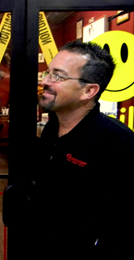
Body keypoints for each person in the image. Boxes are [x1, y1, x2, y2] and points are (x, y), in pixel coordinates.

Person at [13, 40, 134, 258]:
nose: (45, 81)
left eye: (58, 76)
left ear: (88, 90)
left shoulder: (118, 142)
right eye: (48, 73)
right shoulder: (51, 128)